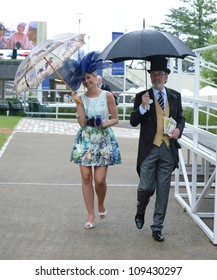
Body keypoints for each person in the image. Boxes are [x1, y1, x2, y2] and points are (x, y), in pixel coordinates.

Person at [63, 51, 121, 230]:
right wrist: (78, 105)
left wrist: (104, 124)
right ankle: (90, 213)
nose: (86, 81)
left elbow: (115, 118)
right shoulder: (80, 99)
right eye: (84, 79)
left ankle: (101, 204)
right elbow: (81, 123)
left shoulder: (107, 96)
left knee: (100, 179)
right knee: (86, 177)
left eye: (89, 77)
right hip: (85, 140)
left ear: (96, 77)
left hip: (103, 139)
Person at [130, 57, 185, 242]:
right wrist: (144, 106)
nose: (157, 77)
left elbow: (181, 118)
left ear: (166, 77)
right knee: (146, 187)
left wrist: (179, 130)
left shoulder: (175, 96)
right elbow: (133, 121)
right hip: (149, 149)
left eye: (160, 74)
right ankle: (140, 208)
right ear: (151, 77)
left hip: (168, 149)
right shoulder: (142, 96)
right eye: (153, 75)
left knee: (163, 190)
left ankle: (157, 227)